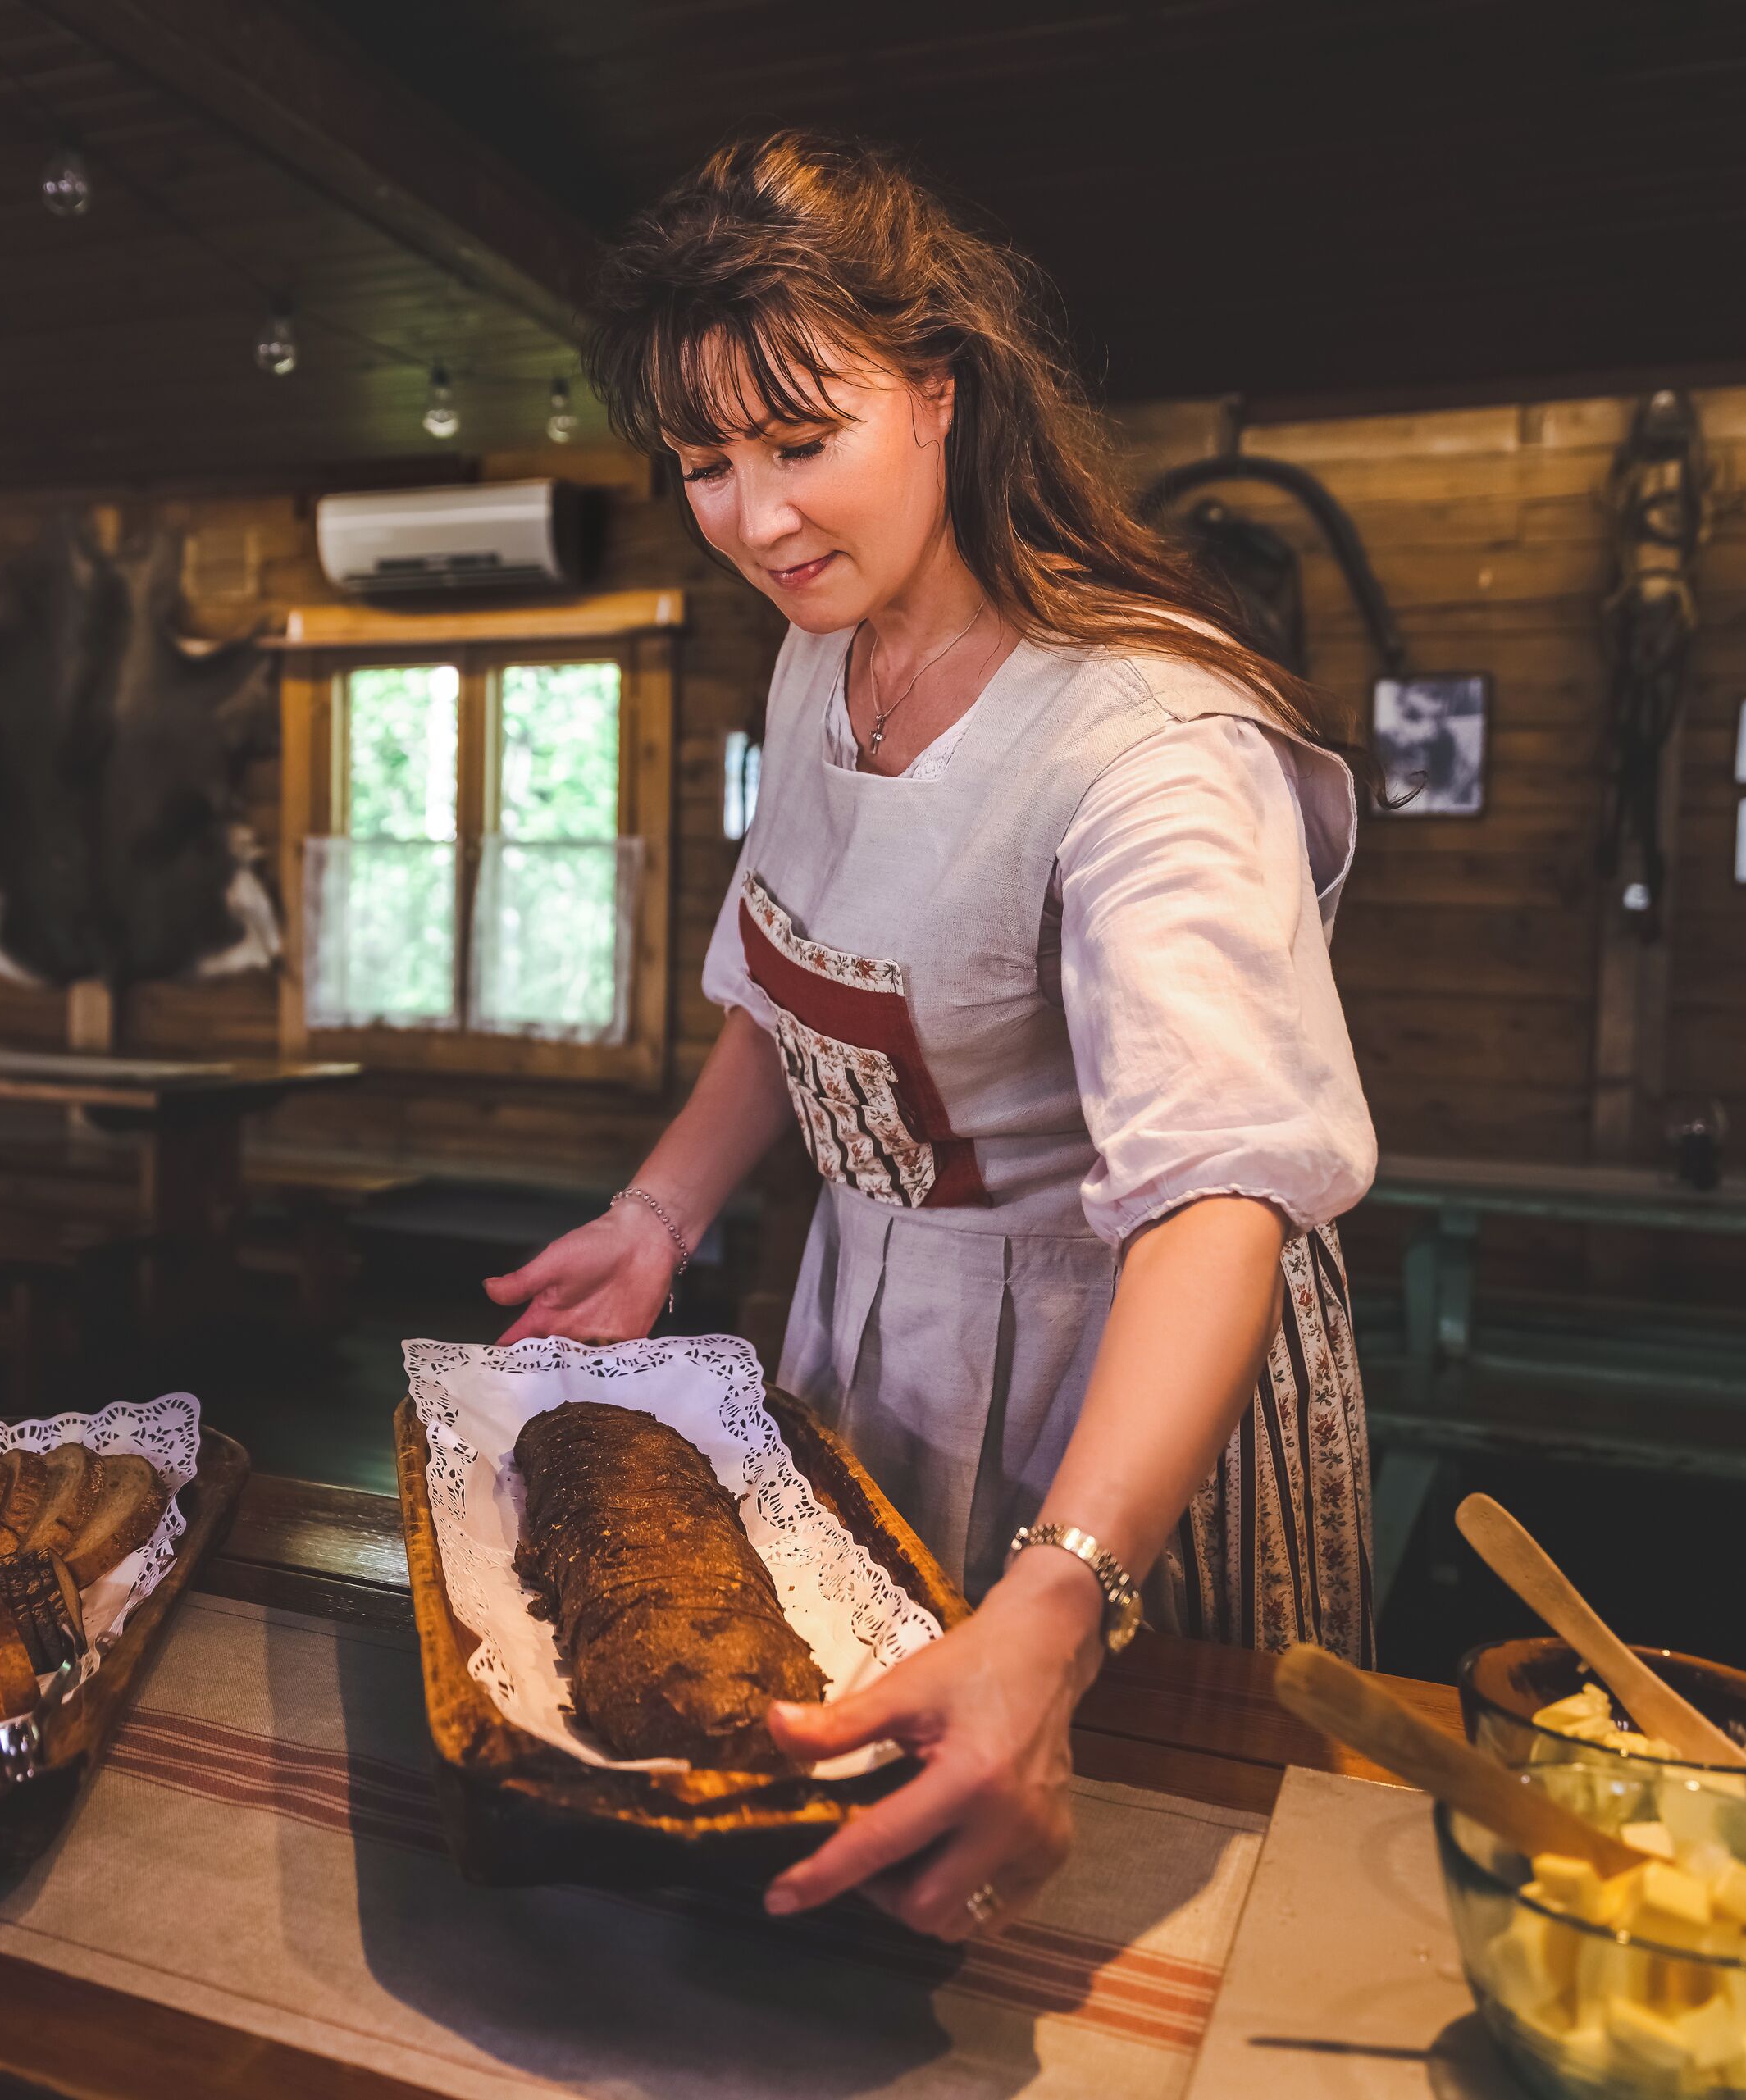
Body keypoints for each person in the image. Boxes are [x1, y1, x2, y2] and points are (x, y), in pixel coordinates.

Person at [481, 133, 1380, 1943]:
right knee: (840, 1840)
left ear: (944, 394)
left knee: (1119, 1912)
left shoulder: (1150, 745)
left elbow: (1222, 1197)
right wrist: (661, 1217)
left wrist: (1060, 1593)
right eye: (703, 467)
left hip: (1120, 1393)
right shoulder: (831, 645)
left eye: (800, 443)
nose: (753, 519)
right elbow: (788, 977)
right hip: (876, 1326)